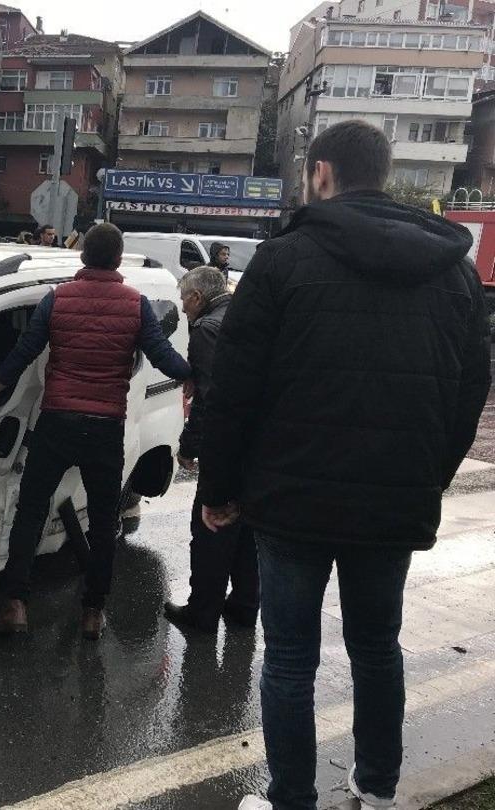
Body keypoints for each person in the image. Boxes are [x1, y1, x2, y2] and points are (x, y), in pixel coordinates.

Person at [196, 121, 491, 810]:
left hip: (289, 502)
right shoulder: (450, 270)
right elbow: (469, 390)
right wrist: (429, 476)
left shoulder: (283, 259)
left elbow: (234, 390)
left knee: (292, 659)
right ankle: (378, 793)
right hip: (394, 502)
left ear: (322, 173)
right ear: (382, 173)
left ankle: (291, 799)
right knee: (377, 649)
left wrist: (220, 488)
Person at [0, 223, 191, 640]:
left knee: (32, 509)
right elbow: (162, 356)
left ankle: (16, 603)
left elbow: (25, 351)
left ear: (83, 256)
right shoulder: (136, 304)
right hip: (105, 425)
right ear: (117, 258)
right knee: (103, 519)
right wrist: (194, 376)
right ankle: (93, 611)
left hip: (57, 421)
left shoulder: (57, 299)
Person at [163, 266, 258, 634]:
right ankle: (245, 605)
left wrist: (189, 446)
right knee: (246, 527)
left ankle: (202, 612)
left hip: (225, 443)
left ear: (197, 298)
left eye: (184, 300)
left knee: (208, 526)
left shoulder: (205, 329)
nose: (183, 309)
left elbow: (210, 399)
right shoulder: (244, 313)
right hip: (256, 440)